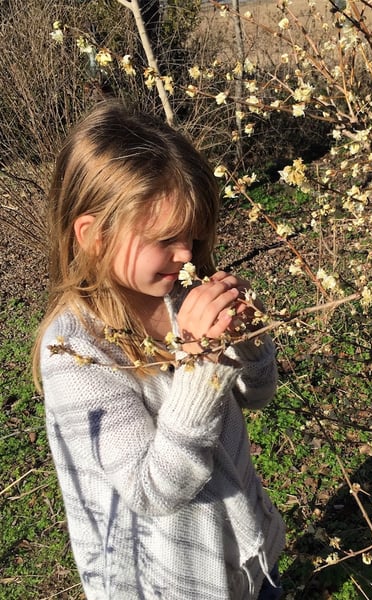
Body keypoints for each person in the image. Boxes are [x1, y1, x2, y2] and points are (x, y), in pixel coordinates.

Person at [32, 101, 286, 600]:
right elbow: (152, 491)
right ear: (94, 237)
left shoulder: (178, 297)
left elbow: (258, 397)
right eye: (166, 238)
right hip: (169, 584)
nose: (188, 253)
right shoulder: (74, 352)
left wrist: (250, 345)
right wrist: (197, 363)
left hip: (245, 560)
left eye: (192, 233)